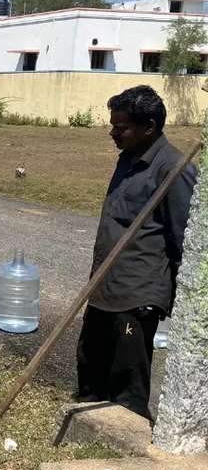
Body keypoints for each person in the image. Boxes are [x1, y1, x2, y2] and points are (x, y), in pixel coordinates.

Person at [77, 85, 195, 420]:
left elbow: (182, 238)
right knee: (90, 365)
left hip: (137, 293)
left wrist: (170, 295)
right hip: (105, 284)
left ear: (150, 128)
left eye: (122, 127)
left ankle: (127, 440)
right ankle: (88, 427)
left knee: (127, 382)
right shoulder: (129, 157)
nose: (113, 132)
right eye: (113, 125)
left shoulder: (174, 169)